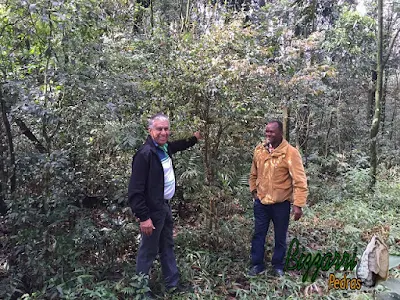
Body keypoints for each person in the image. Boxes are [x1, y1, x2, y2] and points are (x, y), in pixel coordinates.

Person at [128, 113, 201, 294]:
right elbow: (135, 191)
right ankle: (141, 291)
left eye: (166, 129)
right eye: (159, 129)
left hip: (165, 207)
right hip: (152, 211)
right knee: (148, 251)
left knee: (167, 246)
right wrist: (144, 218)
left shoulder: (164, 148)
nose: (163, 132)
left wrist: (194, 139)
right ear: (150, 130)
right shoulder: (145, 154)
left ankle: (173, 285)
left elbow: (178, 145)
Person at [248, 120, 308, 277]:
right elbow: (253, 173)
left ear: (281, 133)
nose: (268, 134)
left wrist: (298, 205)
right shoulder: (260, 150)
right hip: (261, 202)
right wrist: (254, 191)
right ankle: (257, 265)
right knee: (258, 234)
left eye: (272, 132)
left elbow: (299, 180)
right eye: (266, 131)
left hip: (281, 204)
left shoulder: (290, 153)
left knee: (280, 236)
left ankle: (278, 266)